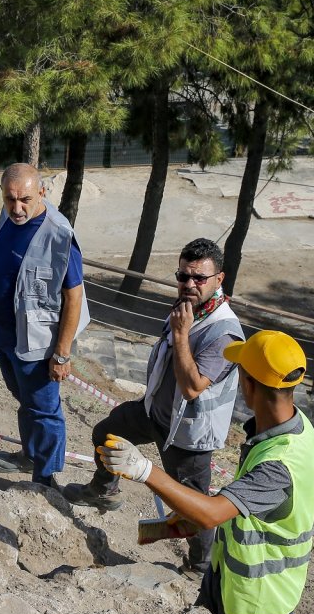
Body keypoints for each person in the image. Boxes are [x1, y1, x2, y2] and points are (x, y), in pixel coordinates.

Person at [95, 330, 314, 614]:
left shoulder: (278, 464)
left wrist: (144, 470)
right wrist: (188, 516)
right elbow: (250, 507)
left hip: (255, 601)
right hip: (228, 576)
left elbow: (212, 515)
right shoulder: (296, 427)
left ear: (248, 385)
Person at [63, 237, 244, 576]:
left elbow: (192, 388)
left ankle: (200, 567)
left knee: (192, 504)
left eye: (199, 278)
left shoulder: (225, 332)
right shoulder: (188, 308)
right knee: (107, 432)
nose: (189, 284)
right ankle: (104, 491)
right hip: (155, 414)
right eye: (183, 276)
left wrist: (180, 335)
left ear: (219, 279)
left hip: (188, 434)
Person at [0, 164, 89, 488]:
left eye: (25, 199)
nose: (17, 208)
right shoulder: (8, 216)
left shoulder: (59, 234)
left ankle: (46, 479)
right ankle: (29, 455)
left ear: (41, 192)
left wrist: (62, 354)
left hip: (36, 343)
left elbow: (74, 296)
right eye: (10, 199)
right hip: (3, 333)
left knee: (44, 410)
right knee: (25, 400)